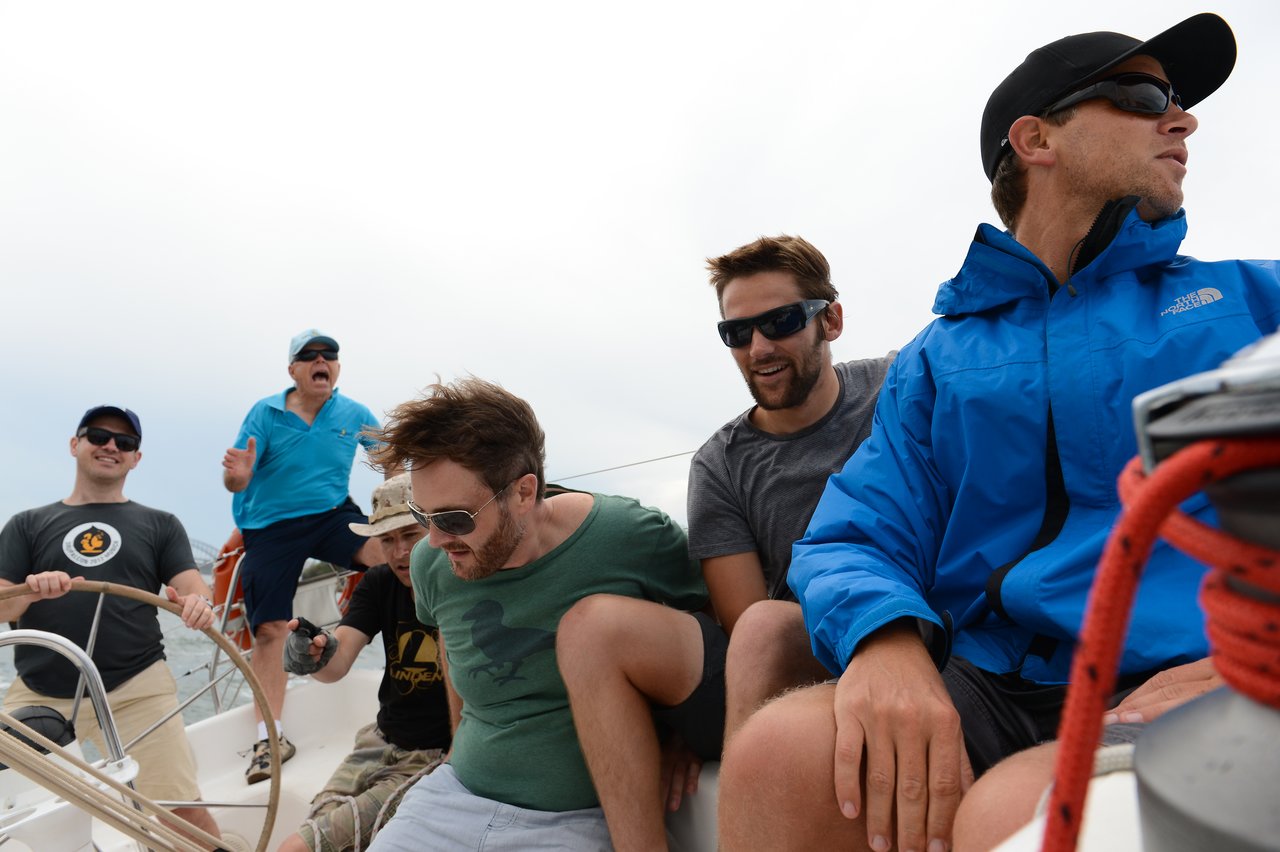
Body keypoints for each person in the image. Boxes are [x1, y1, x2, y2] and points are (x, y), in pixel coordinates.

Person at [717, 13, 1280, 852]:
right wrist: (884, 640)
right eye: (1144, 96)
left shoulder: (1254, 302)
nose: (1182, 118)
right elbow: (851, 534)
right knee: (776, 754)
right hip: (989, 675)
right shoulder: (941, 358)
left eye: (1178, 101)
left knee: (1012, 812)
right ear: (1035, 138)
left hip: (1188, 671)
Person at [555, 234, 893, 850]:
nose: (759, 347)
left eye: (782, 322)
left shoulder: (898, 387)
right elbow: (741, 619)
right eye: (737, 333)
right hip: (798, 644)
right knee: (604, 628)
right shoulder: (720, 463)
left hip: (910, 615)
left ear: (831, 320)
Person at [361, 377, 707, 852]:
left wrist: (692, 733)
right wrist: (457, 748)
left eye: (455, 519)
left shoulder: (628, 536)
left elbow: (709, 631)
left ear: (524, 492)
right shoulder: (433, 564)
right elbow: (450, 645)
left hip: (575, 817)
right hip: (453, 797)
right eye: (424, 517)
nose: (435, 541)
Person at [0, 405, 222, 843]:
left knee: (182, 814)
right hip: (39, 689)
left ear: (136, 458)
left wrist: (198, 604)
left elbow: (194, 586)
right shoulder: (26, 525)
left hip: (138, 688)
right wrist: (31, 590)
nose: (111, 447)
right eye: (99, 435)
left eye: (125, 442)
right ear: (75, 444)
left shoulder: (161, 524)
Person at [222, 329, 384, 784]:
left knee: (393, 558)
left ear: (336, 367)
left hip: (330, 515)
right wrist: (239, 476)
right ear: (292, 369)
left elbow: (391, 454)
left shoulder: (353, 412)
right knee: (270, 629)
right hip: (271, 526)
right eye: (309, 355)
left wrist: (391, 496)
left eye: (329, 355)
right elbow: (238, 479)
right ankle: (270, 738)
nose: (321, 360)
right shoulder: (266, 412)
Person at [277, 473, 452, 852]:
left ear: (434, 530)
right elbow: (337, 664)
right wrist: (312, 654)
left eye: (410, 535)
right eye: (387, 539)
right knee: (317, 818)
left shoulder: (457, 584)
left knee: (297, 847)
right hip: (377, 740)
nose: (399, 551)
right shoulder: (377, 582)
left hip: (434, 755)